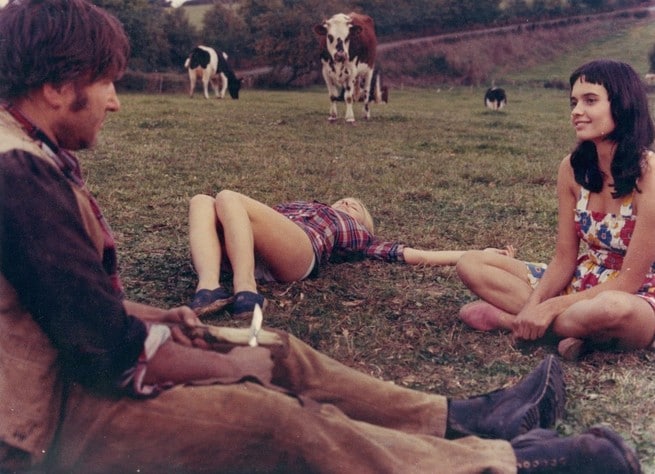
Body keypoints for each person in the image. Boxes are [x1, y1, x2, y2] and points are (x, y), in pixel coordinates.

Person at [0, 2, 642, 472]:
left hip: (69, 374)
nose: (115, 101)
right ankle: (500, 463)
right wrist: (222, 364)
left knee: (277, 350)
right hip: (41, 424)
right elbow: (99, 347)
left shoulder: (33, 154)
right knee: (269, 417)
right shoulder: (17, 174)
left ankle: (459, 419)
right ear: (57, 87)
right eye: (105, 81)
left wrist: (165, 323)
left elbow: (64, 308)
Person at [456, 59, 655, 361]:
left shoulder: (650, 173)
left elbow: (629, 281)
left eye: (590, 100)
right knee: (471, 263)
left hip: (637, 295)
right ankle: (572, 332)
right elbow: (564, 257)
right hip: (581, 281)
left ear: (623, 104)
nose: (576, 111)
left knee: (613, 309)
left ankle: (511, 321)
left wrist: (548, 308)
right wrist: (535, 303)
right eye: (574, 102)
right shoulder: (571, 169)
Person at [188, 190, 515, 317]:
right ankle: (209, 287)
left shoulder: (358, 235)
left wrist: (478, 252)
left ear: (362, 223)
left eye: (355, 206)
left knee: (228, 196)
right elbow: (245, 219)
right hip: (248, 245)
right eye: (343, 200)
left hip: (299, 252)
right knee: (202, 200)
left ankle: (246, 290)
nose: (346, 203)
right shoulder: (299, 206)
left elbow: (416, 254)